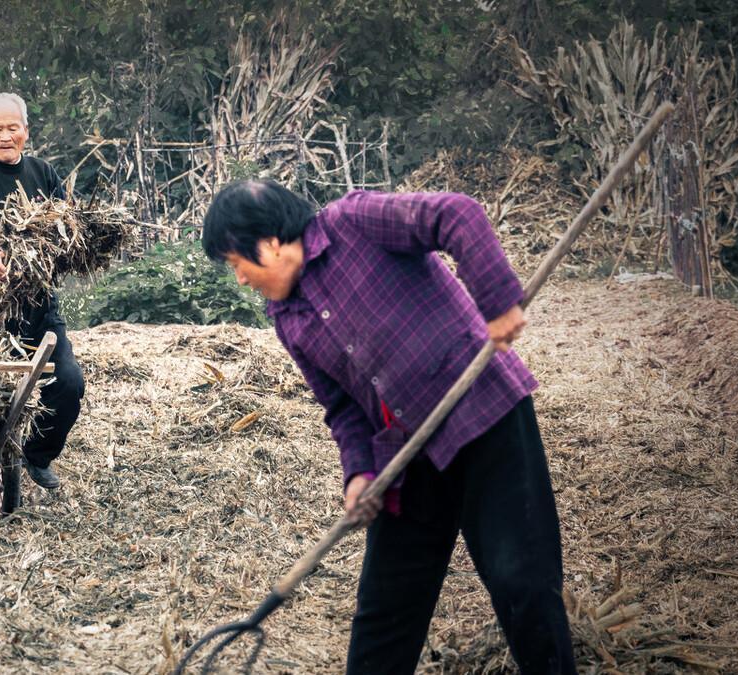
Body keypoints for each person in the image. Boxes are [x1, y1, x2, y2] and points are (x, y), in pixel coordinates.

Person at [201, 179, 575, 674]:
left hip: (483, 416)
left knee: (521, 581)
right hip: (406, 455)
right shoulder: (287, 316)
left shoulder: (353, 222)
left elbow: (458, 214)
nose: (241, 280)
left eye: (236, 263)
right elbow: (342, 407)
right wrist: (358, 472)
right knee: (385, 612)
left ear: (269, 242)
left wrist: (497, 301)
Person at [0, 92, 84, 490]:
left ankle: (38, 457)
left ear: (26, 131)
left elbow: (68, 225)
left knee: (68, 383)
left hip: (40, 304)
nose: (5, 136)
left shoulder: (43, 174)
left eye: (13, 128)